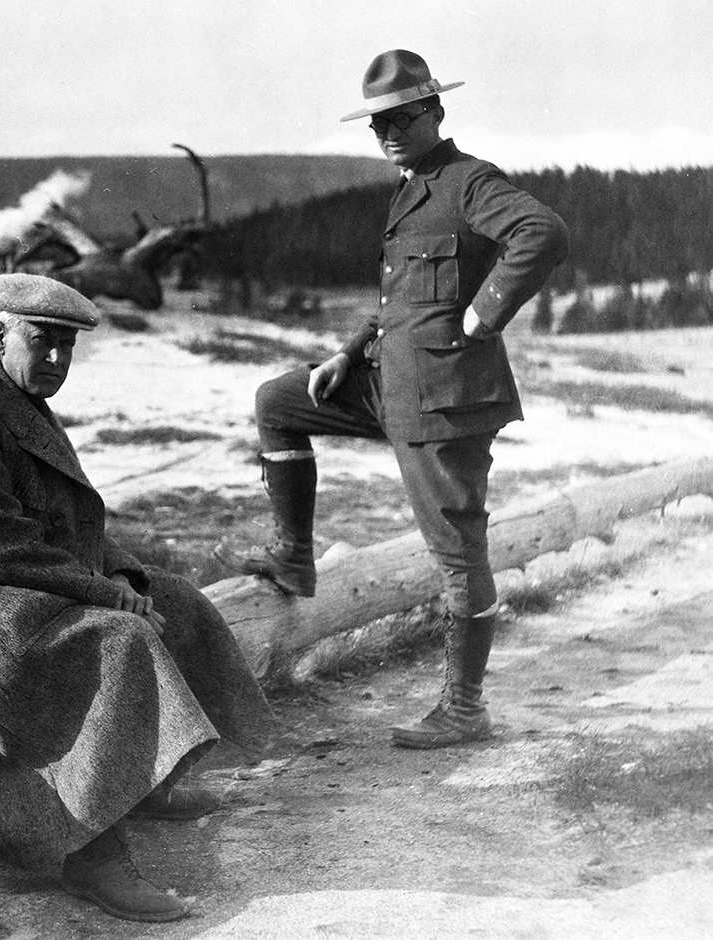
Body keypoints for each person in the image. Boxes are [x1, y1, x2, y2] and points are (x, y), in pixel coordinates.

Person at [0, 272, 274, 924]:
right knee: (112, 642)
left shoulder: (22, 404)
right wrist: (102, 593)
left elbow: (73, 521)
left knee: (180, 602)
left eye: (67, 345)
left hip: (5, 578)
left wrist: (128, 578)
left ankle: (147, 779)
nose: (58, 359)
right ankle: (91, 853)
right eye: (44, 341)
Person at [216, 49, 569, 749]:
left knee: (457, 552)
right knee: (278, 401)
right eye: (377, 124)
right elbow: (399, 299)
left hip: (447, 400)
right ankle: (293, 556)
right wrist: (346, 352)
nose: (389, 134)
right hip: (387, 383)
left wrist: (484, 314)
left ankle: (464, 708)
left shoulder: (467, 181)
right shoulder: (410, 189)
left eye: (403, 118)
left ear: (436, 111)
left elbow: (543, 233)